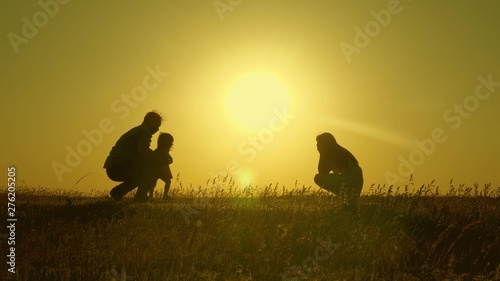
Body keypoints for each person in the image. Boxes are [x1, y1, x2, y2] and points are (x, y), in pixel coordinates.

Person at [104, 111, 166, 202]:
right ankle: (140, 198)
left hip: (114, 167)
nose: (157, 129)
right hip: (118, 166)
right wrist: (158, 158)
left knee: (147, 169)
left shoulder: (139, 130)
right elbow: (143, 151)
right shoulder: (144, 132)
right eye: (157, 125)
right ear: (151, 122)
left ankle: (118, 192)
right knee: (152, 168)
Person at [314, 132, 363, 205]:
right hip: (356, 179)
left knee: (318, 178)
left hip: (349, 179)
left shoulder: (332, 152)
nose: (317, 145)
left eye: (319, 143)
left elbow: (322, 172)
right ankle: (344, 198)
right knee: (350, 204)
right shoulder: (339, 150)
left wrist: (321, 153)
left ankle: (343, 196)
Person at [147, 132, 174, 200]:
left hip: (160, 168)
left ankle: (153, 195)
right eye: (170, 142)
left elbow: (167, 155)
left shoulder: (161, 150)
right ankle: (164, 196)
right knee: (165, 182)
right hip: (160, 168)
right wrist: (169, 159)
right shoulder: (161, 150)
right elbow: (165, 155)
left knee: (155, 182)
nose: (171, 144)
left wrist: (170, 158)